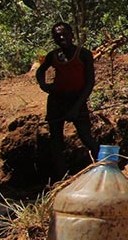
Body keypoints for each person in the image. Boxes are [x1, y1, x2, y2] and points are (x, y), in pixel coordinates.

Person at [35, 22, 98, 178]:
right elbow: (40, 71)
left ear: (71, 35)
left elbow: (90, 83)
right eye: (57, 36)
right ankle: (61, 178)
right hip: (56, 101)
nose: (61, 37)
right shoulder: (53, 56)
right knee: (56, 140)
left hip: (77, 99)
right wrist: (44, 85)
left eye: (64, 34)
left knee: (85, 136)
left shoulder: (84, 54)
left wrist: (76, 108)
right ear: (54, 39)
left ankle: (108, 168)